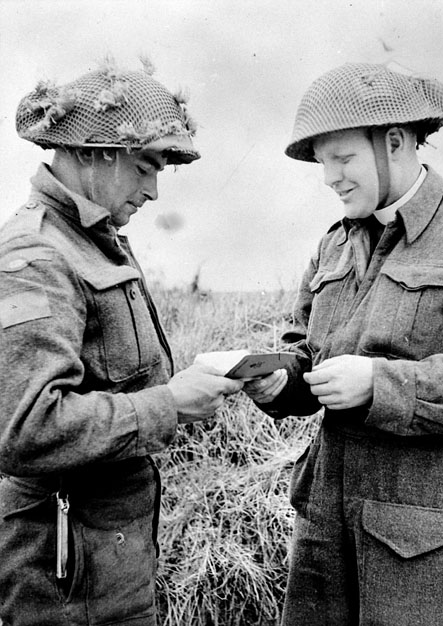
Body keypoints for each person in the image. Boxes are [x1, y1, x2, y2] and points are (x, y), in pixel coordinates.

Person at [244, 62, 443, 626]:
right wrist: (279, 379)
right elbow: (308, 358)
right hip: (323, 527)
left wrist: (380, 385)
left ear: (396, 141)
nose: (329, 177)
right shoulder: (334, 243)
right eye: (321, 163)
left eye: (342, 158)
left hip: (418, 536)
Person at [0, 59, 243, 626]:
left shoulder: (95, 242)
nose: (154, 192)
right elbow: (26, 429)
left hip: (111, 560)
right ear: (92, 152)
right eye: (144, 167)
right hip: (64, 579)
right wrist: (171, 404)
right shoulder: (36, 256)